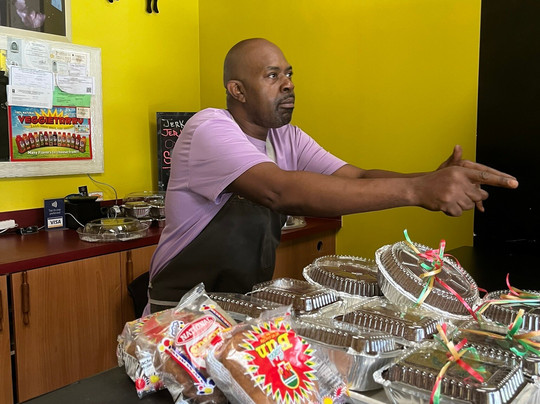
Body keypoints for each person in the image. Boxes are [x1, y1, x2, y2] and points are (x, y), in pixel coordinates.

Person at [145, 38, 518, 314]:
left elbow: (358, 178)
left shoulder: (286, 138)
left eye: (289, 74)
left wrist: (434, 178)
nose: (288, 83)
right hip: (179, 314)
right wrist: (419, 190)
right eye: (272, 75)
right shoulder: (209, 127)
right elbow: (277, 191)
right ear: (237, 90)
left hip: (242, 310)